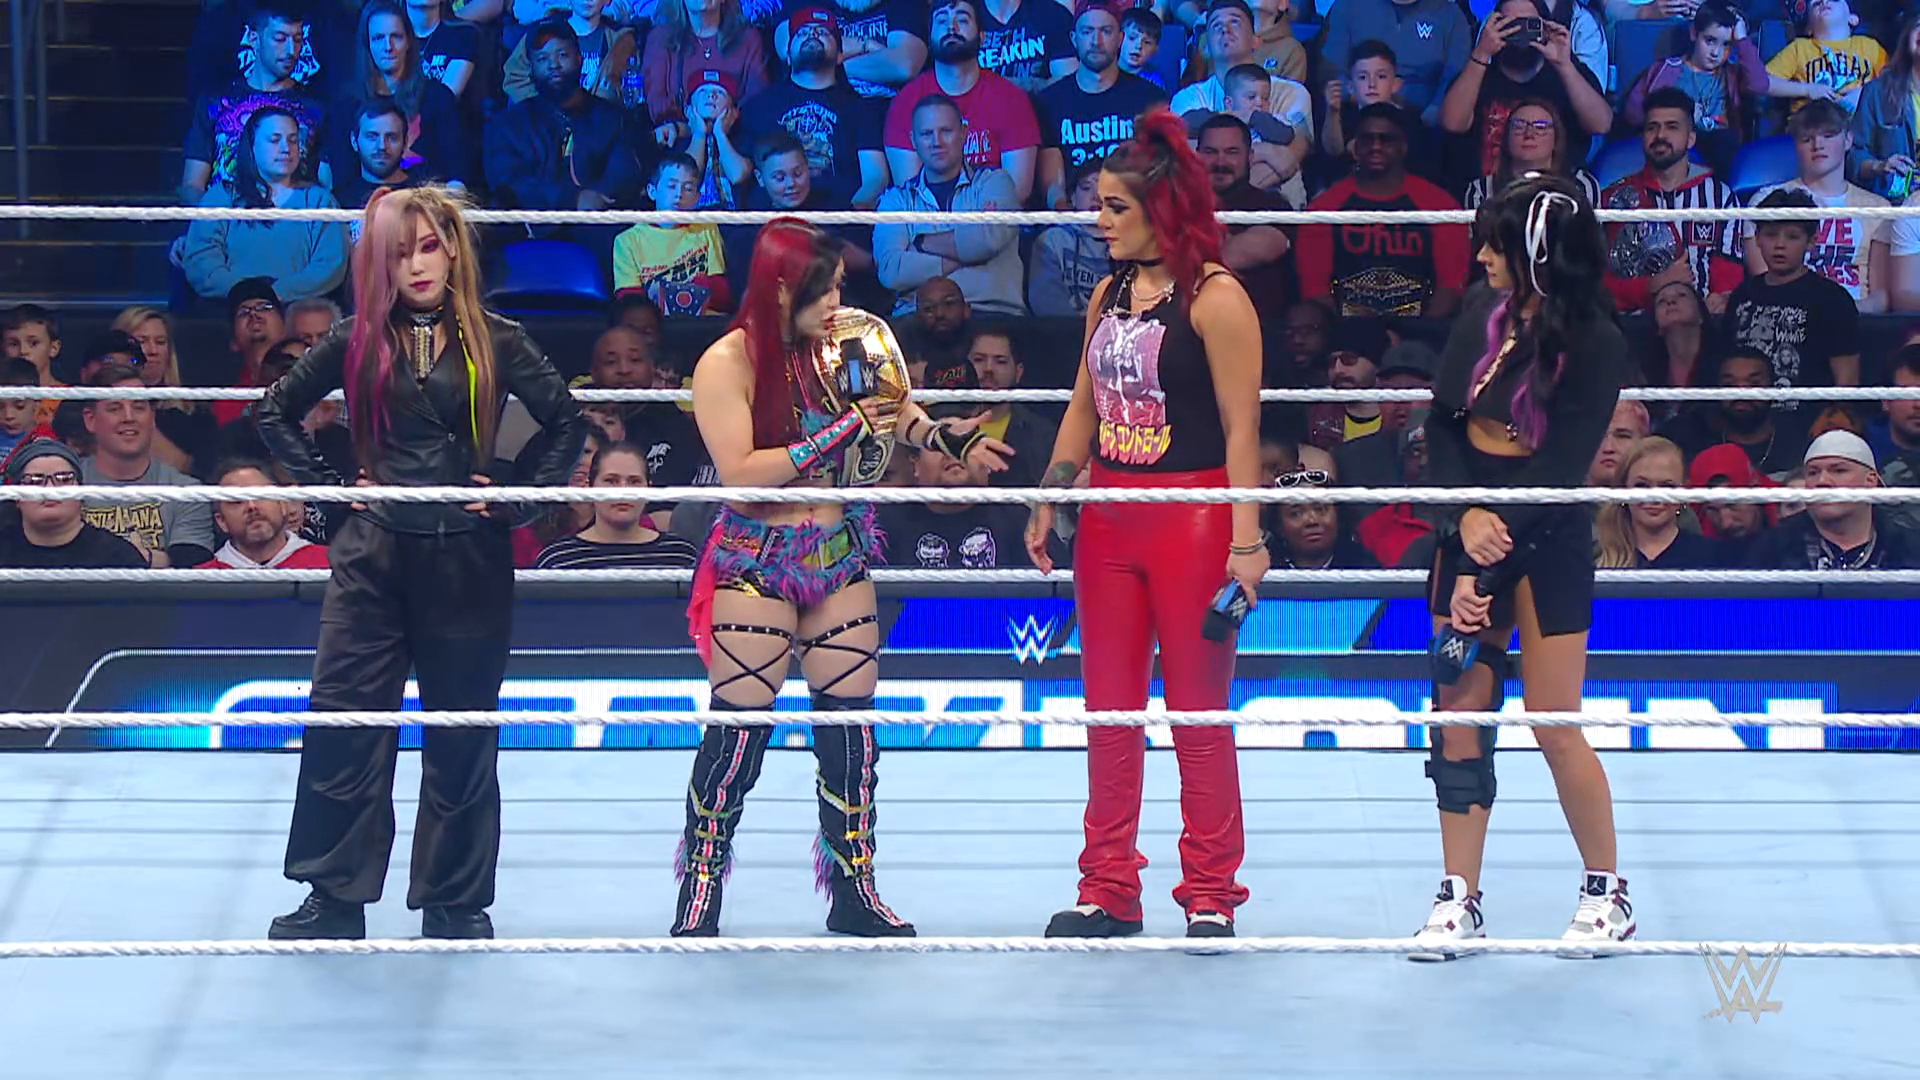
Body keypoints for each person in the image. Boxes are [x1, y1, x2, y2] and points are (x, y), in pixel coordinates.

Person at [254, 185, 589, 942]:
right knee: (345, 723)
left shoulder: (497, 337)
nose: (416, 265)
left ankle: (455, 898)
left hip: (466, 553)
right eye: (400, 252)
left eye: (429, 246)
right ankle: (334, 894)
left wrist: (516, 497)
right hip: (372, 552)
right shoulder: (354, 336)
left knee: (461, 730)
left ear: (454, 249)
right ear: (380, 263)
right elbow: (274, 410)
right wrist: (331, 489)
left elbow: (567, 422)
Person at [673, 217, 1012, 938]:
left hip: (839, 548)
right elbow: (742, 472)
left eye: (838, 287)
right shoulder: (725, 364)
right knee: (739, 729)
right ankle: (700, 884)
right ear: (780, 289)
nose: (836, 303)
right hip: (758, 555)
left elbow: (894, 411)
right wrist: (838, 432)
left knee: (851, 731)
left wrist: (944, 436)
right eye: (822, 290)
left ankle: (854, 888)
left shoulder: (851, 340)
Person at [1023, 107, 1268, 940]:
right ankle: (1108, 887)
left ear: (1162, 210)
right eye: (1100, 204)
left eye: (1115, 207)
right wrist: (1051, 493)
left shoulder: (1217, 299)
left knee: (1197, 711)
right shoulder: (1109, 292)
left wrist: (1246, 540)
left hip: (1193, 516)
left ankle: (1210, 891)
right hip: (1110, 516)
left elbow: (1242, 430)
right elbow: (1083, 406)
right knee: (1109, 710)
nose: (1099, 220)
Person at [1412, 173, 1635, 960]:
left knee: (1552, 718)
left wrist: (1484, 565)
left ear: (1540, 254)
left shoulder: (1597, 341)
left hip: (1543, 533)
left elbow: (1560, 469)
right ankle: (1458, 895)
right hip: (1469, 522)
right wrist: (1462, 518)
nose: (1480, 257)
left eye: (1496, 246)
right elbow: (1443, 424)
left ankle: (1606, 892)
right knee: (1457, 710)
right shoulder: (1483, 309)